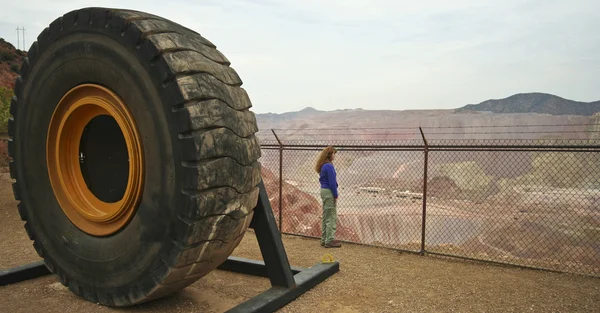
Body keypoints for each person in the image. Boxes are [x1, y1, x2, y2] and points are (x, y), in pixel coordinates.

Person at [315, 146, 341, 248]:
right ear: (330, 155)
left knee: (326, 215)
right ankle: (329, 240)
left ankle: (324, 238)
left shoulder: (323, 166)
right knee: (331, 216)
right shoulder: (329, 166)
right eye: (333, 153)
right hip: (329, 192)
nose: (334, 155)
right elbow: (332, 183)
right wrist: (335, 195)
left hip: (324, 191)